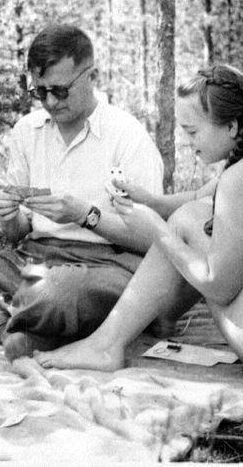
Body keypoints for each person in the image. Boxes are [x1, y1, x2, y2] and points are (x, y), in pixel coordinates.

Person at [0, 24, 164, 359]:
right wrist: (8, 217)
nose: (50, 102)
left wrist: (86, 216)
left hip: (103, 267)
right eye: (40, 92)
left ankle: (5, 314)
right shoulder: (27, 131)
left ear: (92, 76)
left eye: (60, 90)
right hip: (30, 261)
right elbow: (17, 233)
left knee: (57, 293)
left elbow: (153, 242)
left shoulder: (127, 136)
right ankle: (7, 330)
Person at [35, 63, 243, 371]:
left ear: (232, 127)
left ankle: (107, 345)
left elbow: (219, 287)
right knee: (191, 214)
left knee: (186, 221)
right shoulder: (235, 171)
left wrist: (158, 230)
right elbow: (201, 198)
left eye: (193, 132)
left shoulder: (237, 179)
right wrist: (149, 201)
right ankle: (123, 336)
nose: (188, 142)